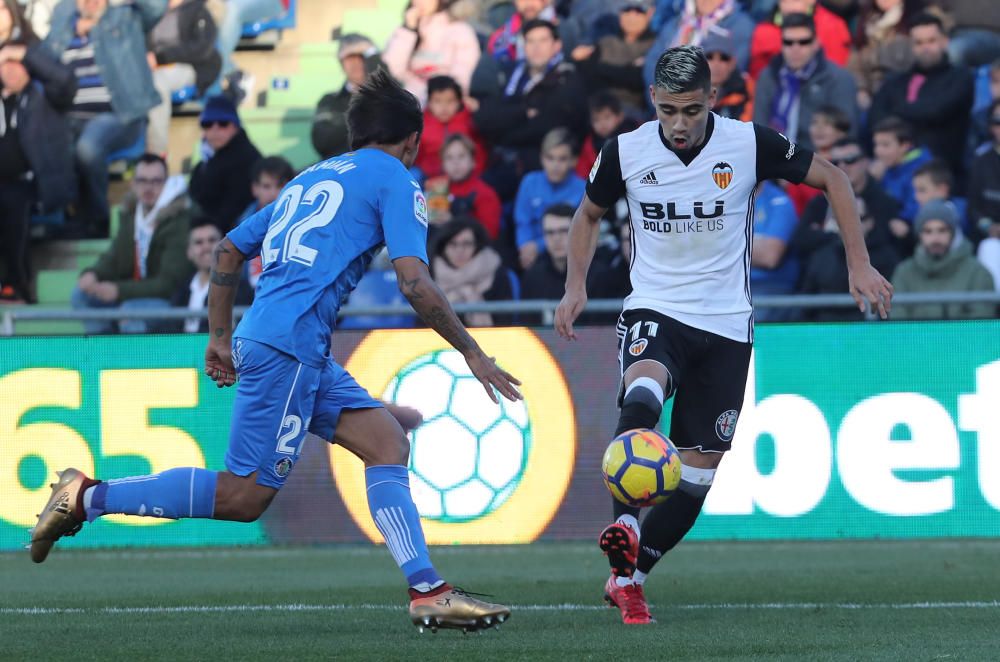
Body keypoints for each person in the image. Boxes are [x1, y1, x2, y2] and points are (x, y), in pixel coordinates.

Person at [31, 68, 517, 633]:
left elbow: (229, 250)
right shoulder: (397, 180)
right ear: (411, 141)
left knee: (387, 440)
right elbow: (413, 281)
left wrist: (218, 336)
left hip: (285, 340)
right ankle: (88, 498)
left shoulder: (306, 180)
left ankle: (427, 591)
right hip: (288, 347)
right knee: (243, 497)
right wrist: (473, 352)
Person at [554, 45, 892, 625]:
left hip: (727, 325)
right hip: (655, 309)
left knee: (696, 477)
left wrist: (857, 263)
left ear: (712, 99)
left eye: (689, 109)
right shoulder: (626, 151)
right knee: (643, 392)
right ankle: (626, 525)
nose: (678, 124)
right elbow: (588, 214)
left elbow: (834, 178)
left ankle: (628, 578)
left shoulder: (747, 142)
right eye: (667, 111)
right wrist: (574, 285)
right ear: (653, 104)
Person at [45, 0, 165, 234]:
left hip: (120, 114)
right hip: (69, 117)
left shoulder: (125, 17)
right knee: (46, 142)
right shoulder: (65, 22)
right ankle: (59, 217)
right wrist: (70, 23)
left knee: (88, 147)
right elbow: (44, 56)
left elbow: (158, 6)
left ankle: (97, 219)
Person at [0, 0, 76, 304]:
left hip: (33, 181)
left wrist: (20, 52)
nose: (10, 70)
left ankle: (16, 285)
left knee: (13, 205)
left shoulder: (42, 92)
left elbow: (66, 82)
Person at [70, 153, 193, 333]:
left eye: (156, 181)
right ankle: (101, 353)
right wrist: (93, 274)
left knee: (131, 311)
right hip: (132, 293)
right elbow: (114, 256)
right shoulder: (131, 212)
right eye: (142, 181)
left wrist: (118, 290)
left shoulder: (180, 218)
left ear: (166, 183)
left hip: (168, 301)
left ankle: (130, 360)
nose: (148, 188)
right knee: (81, 296)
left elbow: (168, 284)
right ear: (133, 184)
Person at [868, 12, 974, 178]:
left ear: (944, 42)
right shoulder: (896, 81)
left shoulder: (960, 78)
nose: (925, 48)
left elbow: (935, 111)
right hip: (893, 168)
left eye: (931, 41)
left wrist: (896, 113)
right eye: (919, 43)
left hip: (940, 172)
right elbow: (876, 115)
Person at [752, 12, 857, 151]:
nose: (795, 49)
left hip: (819, 161)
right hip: (773, 159)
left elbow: (846, 132)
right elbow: (759, 127)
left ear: (816, 43)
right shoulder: (768, 76)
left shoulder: (838, 78)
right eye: (788, 42)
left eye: (804, 42)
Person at [891, 200, 995, 319]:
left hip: (963, 338)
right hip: (915, 338)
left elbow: (981, 321)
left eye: (942, 230)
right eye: (928, 231)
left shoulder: (978, 273)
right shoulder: (903, 273)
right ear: (919, 235)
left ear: (953, 233)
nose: (935, 238)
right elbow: (898, 320)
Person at [146, 0, 222, 156]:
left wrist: (160, 58)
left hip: (186, 66)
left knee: (157, 83)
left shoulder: (198, 9)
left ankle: (157, 153)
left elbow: (201, 49)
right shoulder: (151, 13)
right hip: (150, 67)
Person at [514, 126, 586, 270]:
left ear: (574, 161)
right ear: (541, 158)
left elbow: (579, 231)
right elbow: (522, 222)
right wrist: (525, 246)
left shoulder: (583, 189)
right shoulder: (529, 182)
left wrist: (538, 247)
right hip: (529, 254)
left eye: (562, 159)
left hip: (568, 255)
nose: (555, 165)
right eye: (550, 158)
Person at [382, 0, 480, 104]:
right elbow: (391, 69)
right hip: (410, 100)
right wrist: (409, 29)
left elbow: (463, 73)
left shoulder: (460, 30)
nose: (420, 2)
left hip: (445, 104)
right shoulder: (406, 29)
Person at [188, 94, 262, 233]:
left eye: (223, 123)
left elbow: (232, 210)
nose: (215, 129)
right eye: (208, 124)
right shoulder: (207, 162)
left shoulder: (246, 159)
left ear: (236, 126)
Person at [570, 0, 656, 117]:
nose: (631, 16)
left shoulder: (655, 45)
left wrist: (601, 69)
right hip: (596, 112)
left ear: (650, 14)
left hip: (634, 116)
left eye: (638, 11)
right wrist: (627, 70)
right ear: (620, 13)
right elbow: (588, 75)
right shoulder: (606, 42)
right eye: (627, 10)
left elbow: (639, 79)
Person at [170, 217, 252, 333]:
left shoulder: (241, 289)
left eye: (212, 240)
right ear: (189, 252)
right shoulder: (180, 290)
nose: (206, 247)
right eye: (199, 242)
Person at [311, 33, 382, 161]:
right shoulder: (330, 101)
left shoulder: (386, 97)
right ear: (341, 63)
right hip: (338, 169)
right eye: (349, 57)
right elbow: (321, 142)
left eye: (361, 56)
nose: (356, 63)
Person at [430, 217, 512, 327]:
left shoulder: (497, 274)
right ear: (443, 247)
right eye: (452, 244)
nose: (459, 250)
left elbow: (506, 321)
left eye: (466, 244)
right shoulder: (429, 274)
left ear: (478, 245)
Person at [748, 0, 851, 80]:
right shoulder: (764, 31)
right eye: (785, 1)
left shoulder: (832, 27)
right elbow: (757, 78)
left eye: (796, 0)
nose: (790, 7)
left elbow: (836, 75)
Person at [870, 116, 932, 242]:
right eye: (876, 145)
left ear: (905, 146)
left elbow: (915, 206)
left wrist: (904, 220)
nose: (878, 151)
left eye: (885, 145)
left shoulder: (923, 168)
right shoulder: (885, 168)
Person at [414, 75, 487, 180]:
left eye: (450, 101)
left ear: (459, 102)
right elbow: (417, 156)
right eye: (437, 101)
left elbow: (479, 153)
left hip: (465, 175)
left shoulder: (469, 121)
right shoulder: (421, 124)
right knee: (414, 175)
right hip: (430, 178)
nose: (444, 107)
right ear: (429, 102)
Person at [238, 155, 294, 288]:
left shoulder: (302, 223)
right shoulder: (242, 224)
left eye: (280, 186)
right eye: (266, 186)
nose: (274, 193)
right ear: (255, 188)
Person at [433, 134, 501, 239]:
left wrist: (452, 223)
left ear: (473, 161)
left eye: (461, 156)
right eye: (449, 158)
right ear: (442, 164)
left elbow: (489, 234)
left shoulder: (485, 193)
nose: (455, 163)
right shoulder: (436, 189)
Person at [703, 30, 753, 121]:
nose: (716, 64)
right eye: (709, 57)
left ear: (733, 63)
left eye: (724, 58)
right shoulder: (687, 92)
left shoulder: (747, 91)